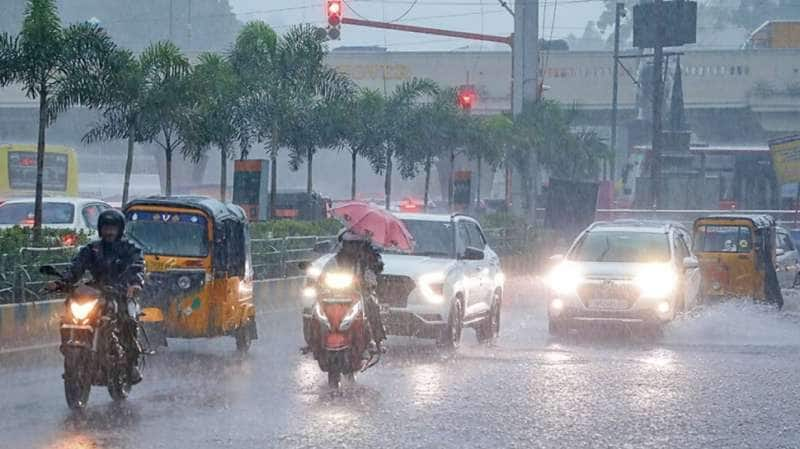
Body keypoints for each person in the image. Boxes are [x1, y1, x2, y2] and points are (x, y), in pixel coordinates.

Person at [49, 209, 146, 384]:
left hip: (121, 292)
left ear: (120, 229)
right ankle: (70, 349)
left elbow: (137, 267)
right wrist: (62, 281)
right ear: (100, 229)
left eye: (113, 228)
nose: (109, 232)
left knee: (129, 320)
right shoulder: (92, 249)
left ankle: (131, 365)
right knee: (70, 313)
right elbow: (76, 267)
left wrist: (134, 284)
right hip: (97, 291)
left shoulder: (130, 248)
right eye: (106, 228)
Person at [333, 229, 387, 352]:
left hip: (361, 291)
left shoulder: (369, 255)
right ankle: (314, 341)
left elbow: (377, 266)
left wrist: (372, 270)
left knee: (371, 305)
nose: (352, 247)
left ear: (362, 244)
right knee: (317, 308)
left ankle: (377, 339)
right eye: (348, 244)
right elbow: (327, 269)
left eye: (356, 243)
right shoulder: (338, 257)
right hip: (336, 292)